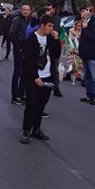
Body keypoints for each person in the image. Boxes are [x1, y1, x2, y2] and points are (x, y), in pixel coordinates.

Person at [20, 15, 56, 144]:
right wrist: (35, 77)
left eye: (52, 26)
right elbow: (28, 60)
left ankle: (37, 129)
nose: (51, 29)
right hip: (33, 77)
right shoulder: (31, 39)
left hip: (47, 76)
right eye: (49, 26)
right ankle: (26, 130)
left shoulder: (50, 38)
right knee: (31, 104)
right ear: (42, 25)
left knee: (41, 105)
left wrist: (56, 40)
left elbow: (56, 54)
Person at [79, 8, 95, 105]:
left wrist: (85, 29)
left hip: (93, 56)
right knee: (87, 77)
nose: (81, 20)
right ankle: (90, 95)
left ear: (87, 18)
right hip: (86, 55)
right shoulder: (86, 25)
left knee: (94, 77)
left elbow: (93, 38)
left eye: (82, 18)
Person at [9, 4, 32, 106]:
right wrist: (18, 46)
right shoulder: (17, 20)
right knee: (17, 72)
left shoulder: (30, 21)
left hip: (28, 50)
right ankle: (14, 96)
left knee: (25, 73)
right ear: (21, 11)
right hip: (19, 50)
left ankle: (21, 94)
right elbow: (12, 35)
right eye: (24, 10)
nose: (26, 11)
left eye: (27, 10)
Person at [46, 3, 63, 97]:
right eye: (47, 9)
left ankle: (56, 88)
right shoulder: (44, 18)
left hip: (54, 45)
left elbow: (62, 32)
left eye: (50, 8)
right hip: (45, 44)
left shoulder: (59, 19)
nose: (49, 10)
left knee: (55, 68)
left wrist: (58, 39)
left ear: (54, 9)